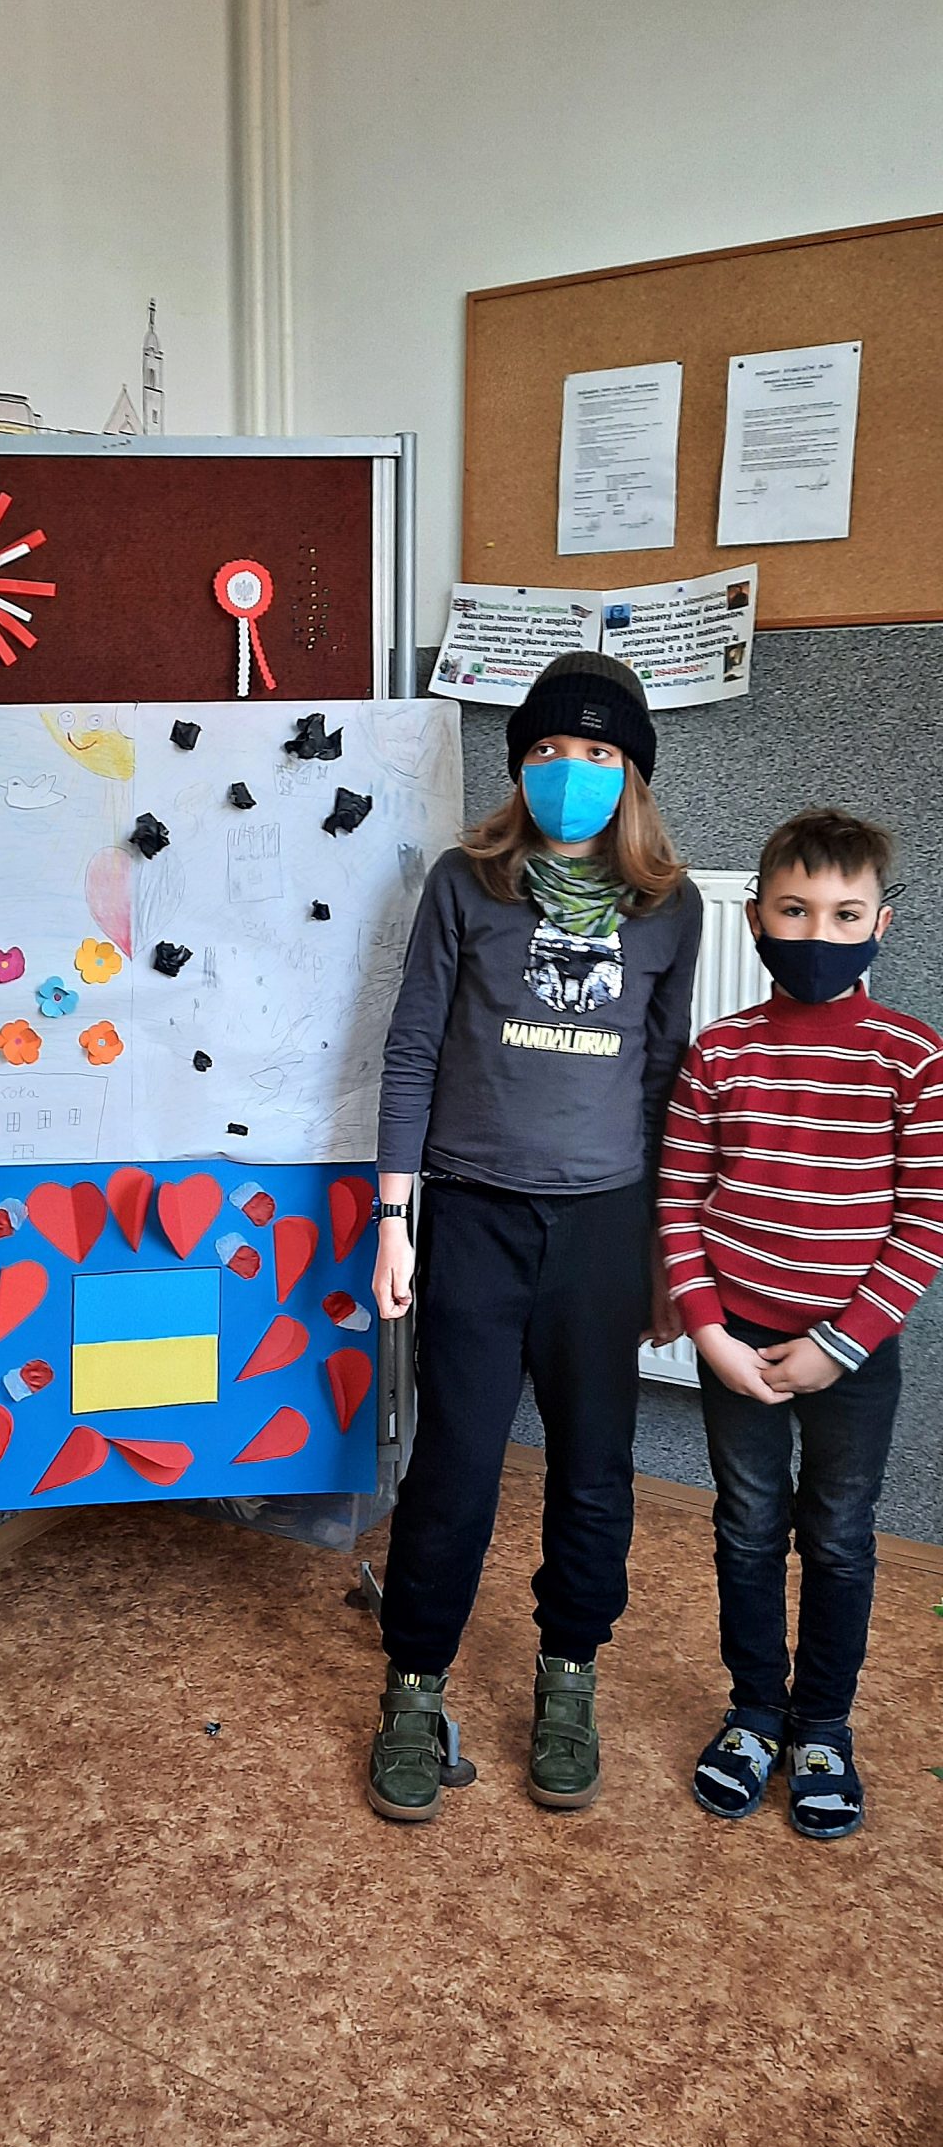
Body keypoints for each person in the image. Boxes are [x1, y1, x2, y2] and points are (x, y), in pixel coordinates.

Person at [369, 652, 701, 1822]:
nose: (570, 768)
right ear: (520, 764)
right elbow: (413, 1050)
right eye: (550, 748)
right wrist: (394, 1218)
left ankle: (570, 1672)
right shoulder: (467, 884)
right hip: (472, 1212)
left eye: (598, 751)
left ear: (631, 772)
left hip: (604, 1223)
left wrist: (667, 1250)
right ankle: (415, 1680)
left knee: (595, 1467)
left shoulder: (670, 907)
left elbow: (665, 1080)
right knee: (455, 1465)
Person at [658, 810, 943, 1841]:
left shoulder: (913, 1057)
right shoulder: (719, 1052)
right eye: (795, 910)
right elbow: (679, 1200)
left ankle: (822, 1725)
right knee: (745, 1526)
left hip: (852, 1354)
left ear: (881, 924)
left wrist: (839, 1344)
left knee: (838, 1534)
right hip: (734, 1341)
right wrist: (707, 1333)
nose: (818, 933)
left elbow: (925, 1219)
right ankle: (755, 1711)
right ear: (756, 918)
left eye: (844, 914)